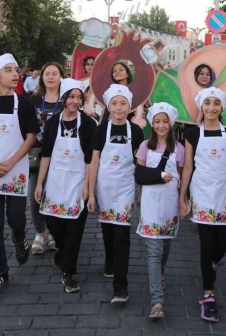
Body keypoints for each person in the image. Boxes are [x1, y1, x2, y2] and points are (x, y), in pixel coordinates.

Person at [0, 54, 39, 297]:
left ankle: (20, 239)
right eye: (9, 70)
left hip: (16, 171)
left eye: (16, 69)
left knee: (16, 219)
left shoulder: (23, 104)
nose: (16, 74)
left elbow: (31, 136)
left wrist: (12, 162)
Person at [179, 87, 226, 323]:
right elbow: (187, 167)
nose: (212, 108)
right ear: (201, 107)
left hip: (223, 194)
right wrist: (182, 196)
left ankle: (212, 265)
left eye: (216, 103)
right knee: (206, 245)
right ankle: (208, 295)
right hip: (202, 194)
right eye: (207, 103)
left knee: (222, 246)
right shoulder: (192, 135)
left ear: (221, 107)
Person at [36, 78, 97, 293]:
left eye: (79, 97)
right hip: (54, 182)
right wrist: (40, 183)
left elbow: (91, 159)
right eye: (71, 97)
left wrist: (88, 187)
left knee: (75, 230)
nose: (75, 101)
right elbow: (45, 154)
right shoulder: (53, 123)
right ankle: (62, 251)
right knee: (54, 223)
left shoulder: (89, 125)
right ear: (63, 98)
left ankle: (69, 272)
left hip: (78, 182)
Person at [87, 84, 145, 304]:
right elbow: (94, 162)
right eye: (115, 104)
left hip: (126, 187)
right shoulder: (101, 130)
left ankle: (120, 286)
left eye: (123, 104)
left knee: (122, 235)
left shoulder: (136, 132)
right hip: (104, 187)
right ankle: (110, 261)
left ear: (129, 107)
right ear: (108, 107)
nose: (119, 108)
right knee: (108, 229)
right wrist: (91, 193)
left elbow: (141, 163)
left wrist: (140, 191)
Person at [135, 102, 185, 319]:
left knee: (165, 246)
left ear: (171, 124)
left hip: (170, 204)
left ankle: (161, 271)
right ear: (152, 124)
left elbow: (183, 177)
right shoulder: (145, 146)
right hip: (150, 204)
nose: (161, 126)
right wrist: (138, 196)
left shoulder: (180, 149)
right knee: (153, 251)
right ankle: (157, 301)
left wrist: (184, 200)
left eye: (165, 122)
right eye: (157, 122)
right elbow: (139, 175)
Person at [28, 61, 65, 254]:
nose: (50, 77)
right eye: (47, 74)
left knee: (57, 194)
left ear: (61, 77)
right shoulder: (33, 99)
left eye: (54, 74)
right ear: (42, 77)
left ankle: (53, 232)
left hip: (61, 155)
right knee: (35, 194)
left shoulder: (67, 99)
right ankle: (40, 232)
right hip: (37, 154)